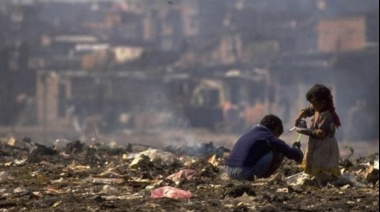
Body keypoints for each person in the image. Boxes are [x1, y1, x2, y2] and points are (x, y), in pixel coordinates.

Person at [225, 114, 303, 181]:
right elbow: (291, 153)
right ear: (276, 129)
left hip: (228, 170)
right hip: (243, 172)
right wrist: (296, 149)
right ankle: (262, 179)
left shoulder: (249, 134)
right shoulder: (268, 136)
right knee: (278, 151)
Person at [294, 84, 341, 178]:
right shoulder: (318, 108)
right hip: (315, 144)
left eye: (314, 104)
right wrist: (299, 117)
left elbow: (321, 134)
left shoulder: (327, 116)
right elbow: (308, 110)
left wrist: (304, 131)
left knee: (322, 167)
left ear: (323, 103)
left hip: (325, 146)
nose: (313, 106)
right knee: (313, 164)